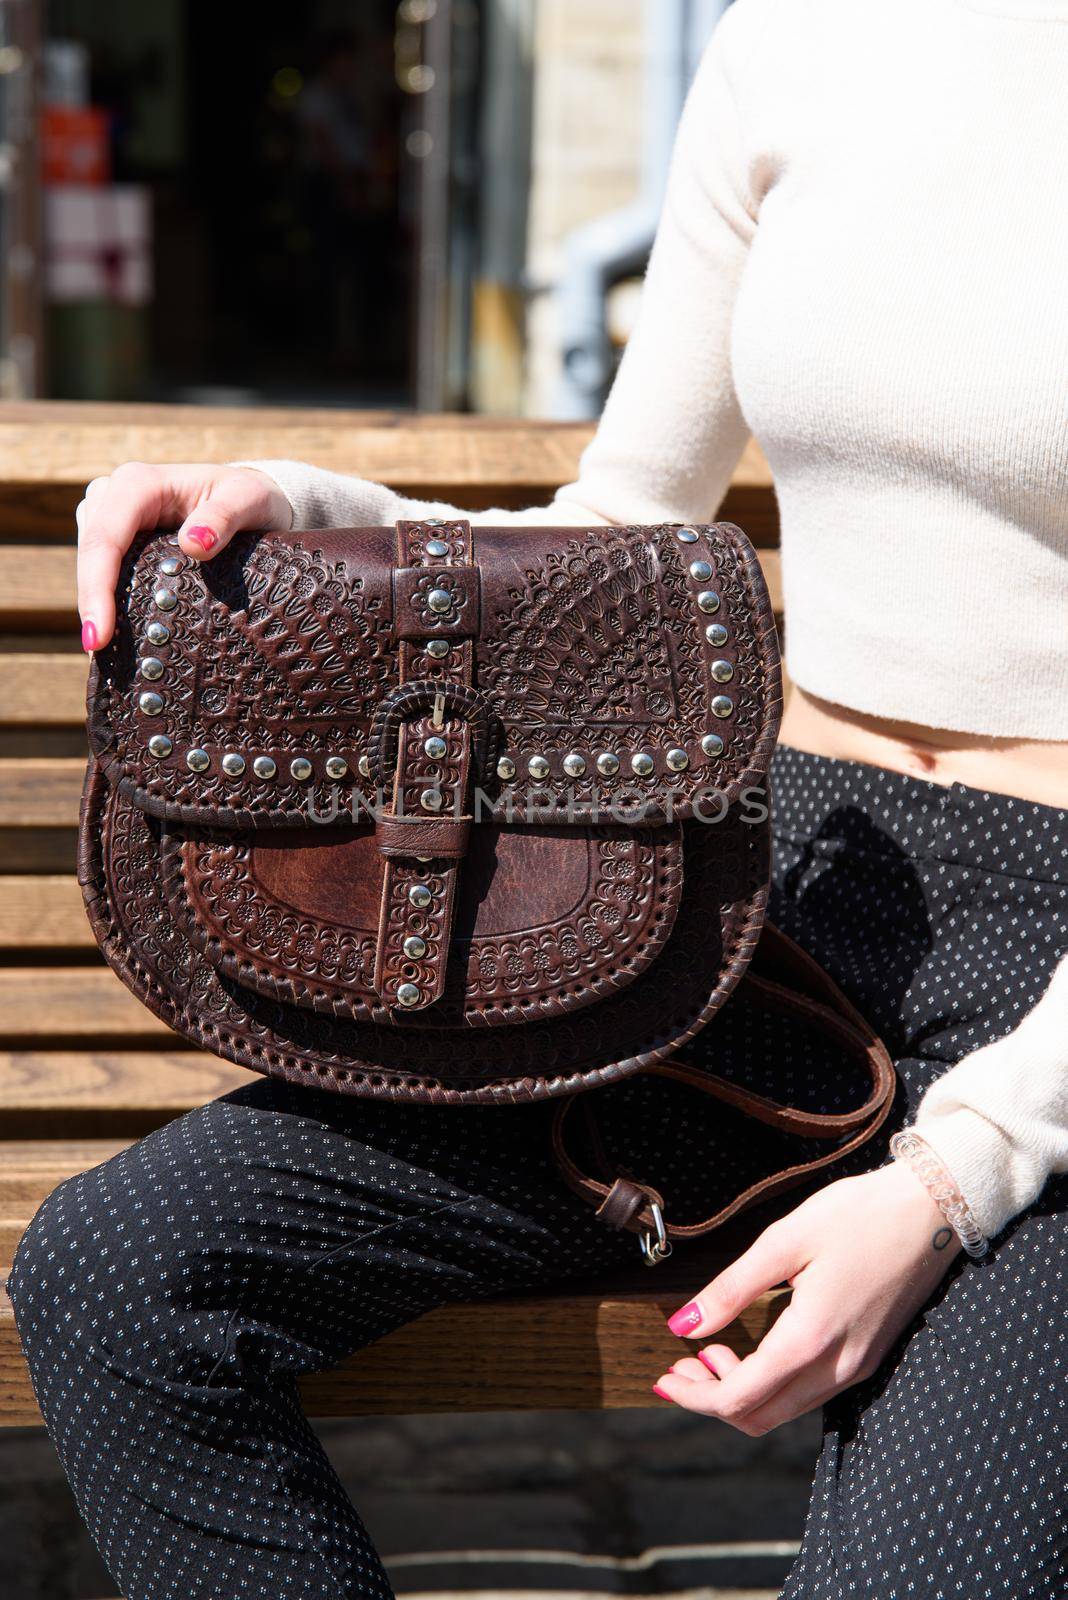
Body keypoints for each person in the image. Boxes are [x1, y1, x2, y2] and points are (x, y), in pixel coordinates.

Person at [12, 2, 1068, 1596]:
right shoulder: (800, 39)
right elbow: (616, 521)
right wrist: (300, 519)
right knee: (122, 1279)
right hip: (772, 927)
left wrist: (954, 1177)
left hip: (1054, 1010)